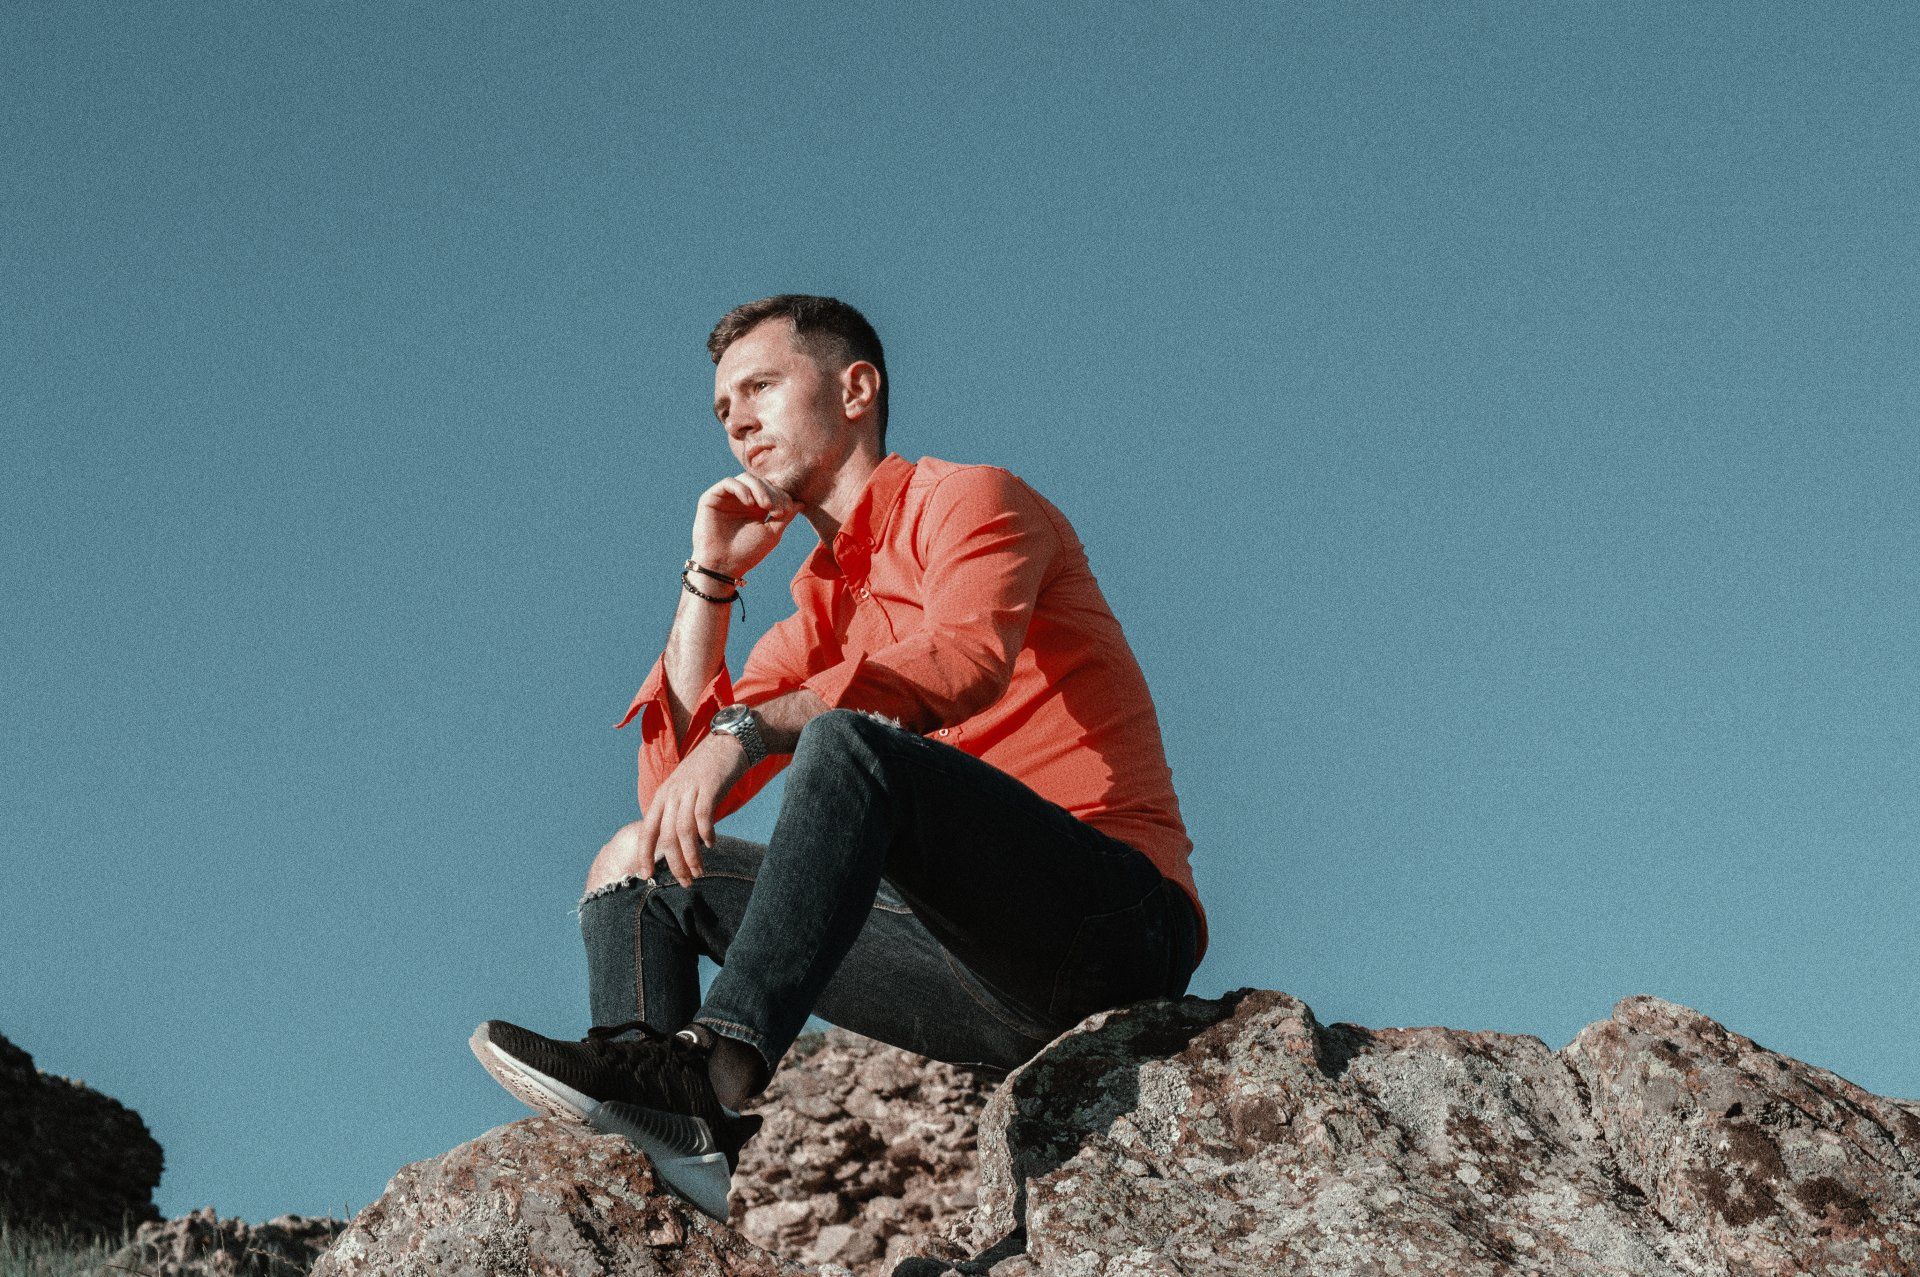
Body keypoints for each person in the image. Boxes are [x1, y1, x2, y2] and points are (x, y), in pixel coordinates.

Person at [471, 294, 1206, 1221]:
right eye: (722, 408)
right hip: (964, 970)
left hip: (1111, 923)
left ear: (856, 387)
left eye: (761, 386)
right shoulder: (817, 619)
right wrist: (712, 580)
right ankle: (661, 1139)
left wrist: (753, 730)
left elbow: (966, 660)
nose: (736, 418)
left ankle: (718, 1068)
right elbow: (673, 802)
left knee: (844, 739)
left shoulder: (969, 499)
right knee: (639, 863)